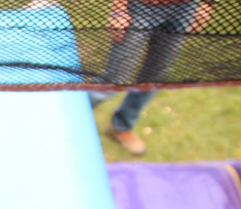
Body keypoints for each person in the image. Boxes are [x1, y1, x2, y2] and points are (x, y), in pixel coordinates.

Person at [90, 0, 213, 156]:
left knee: (153, 78)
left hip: (185, 8)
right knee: (114, 80)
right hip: (141, 7)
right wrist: (119, 9)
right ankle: (66, 116)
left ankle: (120, 126)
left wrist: (206, 4)